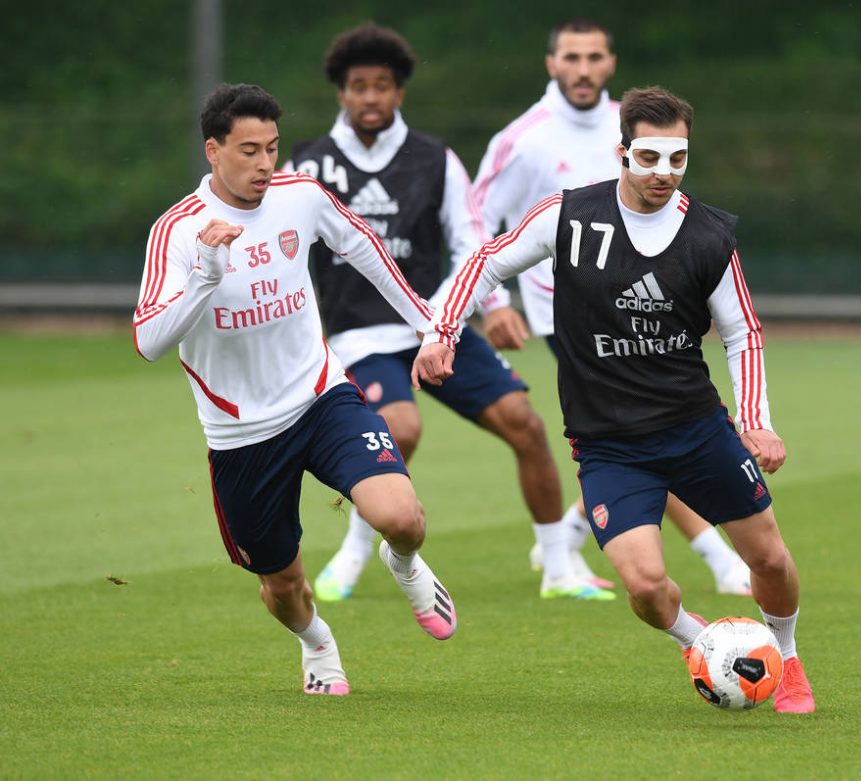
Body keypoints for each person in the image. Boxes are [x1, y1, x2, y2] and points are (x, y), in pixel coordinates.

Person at [414, 86, 816, 713]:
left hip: (697, 430)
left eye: (677, 159)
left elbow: (742, 332)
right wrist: (441, 332)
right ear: (622, 151)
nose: (664, 173)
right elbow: (484, 262)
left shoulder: (709, 237)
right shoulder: (569, 215)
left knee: (769, 557)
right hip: (608, 447)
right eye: (649, 158)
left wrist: (757, 423)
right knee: (647, 587)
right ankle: (700, 642)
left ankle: (787, 659)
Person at [133, 83, 458, 697]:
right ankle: (317, 643)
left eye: (272, 149)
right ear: (213, 151)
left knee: (401, 517)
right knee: (283, 587)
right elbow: (149, 340)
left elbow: (365, 248)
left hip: (321, 395)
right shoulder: (178, 233)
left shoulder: (300, 198)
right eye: (248, 150)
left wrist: (429, 327)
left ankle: (404, 562)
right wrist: (206, 275)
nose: (264, 164)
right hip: (241, 432)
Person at [287, 23, 612, 602]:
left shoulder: (434, 159)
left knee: (527, 426)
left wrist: (475, 309)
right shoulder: (308, 165)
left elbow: (470, 242)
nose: (370, 98)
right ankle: (356, 553)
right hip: (361, 336)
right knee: (401, 430)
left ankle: (560, 569)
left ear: (399, 93)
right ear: (341, 93)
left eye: (381, 86)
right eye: (358, 87)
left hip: (436, 327)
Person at [473, 17, 752, 596]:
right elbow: (478, 219)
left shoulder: (631, 122)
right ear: (552, 64)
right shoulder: (522, 137)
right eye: (571, 57)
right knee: (651, 429)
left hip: (642, 311)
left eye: (594, 57)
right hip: (567, 315)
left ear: (611, 63)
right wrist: (495, 302)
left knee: (649, 429)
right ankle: (716, 560)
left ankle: (570, 540)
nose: (583, 69)